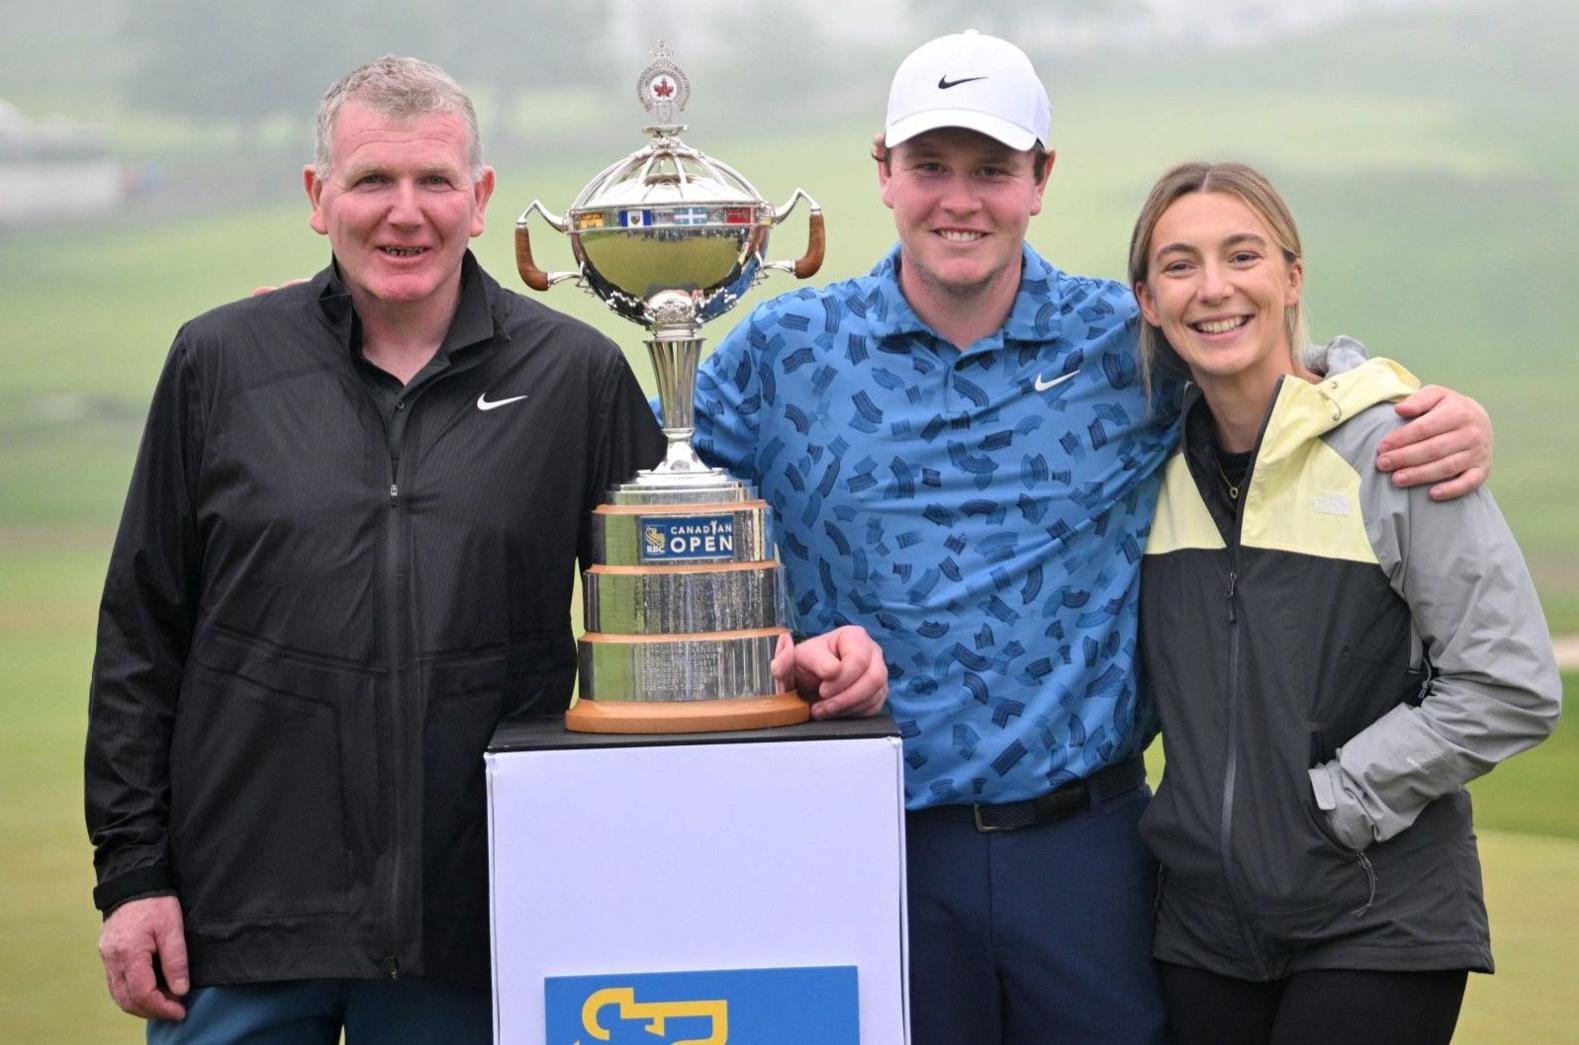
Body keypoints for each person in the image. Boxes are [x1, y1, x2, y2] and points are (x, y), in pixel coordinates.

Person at [688, 30, 1495, 1045]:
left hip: (1087, 850)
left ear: (1041, 180)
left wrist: (1404, 404)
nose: (960, 199)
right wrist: (771, 651)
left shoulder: (1126, 345)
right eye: (931, 167)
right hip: (864, 834)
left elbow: (1264, 371)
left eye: (993, 169)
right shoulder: (781, 352)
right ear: (884, 174)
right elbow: (668, 516)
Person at [84, 56, 886, 1044]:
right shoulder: (221, 364)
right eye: (373, 179)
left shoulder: (574, 375)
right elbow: (141, 633)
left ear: (482, 199)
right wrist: (132, 877)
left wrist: (785, 663)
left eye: (436, 182)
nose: (404, 213)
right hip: (243, 921)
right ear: (316, 195)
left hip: (483, 927)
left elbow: (664, 608)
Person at [1129, 161, 1561, 1044]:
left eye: (1241, 255)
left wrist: (1337, 801)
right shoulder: (1143, 470)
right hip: (1204, 929)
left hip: (1377, 915)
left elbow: (1509, 680)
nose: (1213, 288)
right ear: (1146, 299)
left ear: (1291, 278)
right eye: (1179, 265)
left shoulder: (1401, 449)